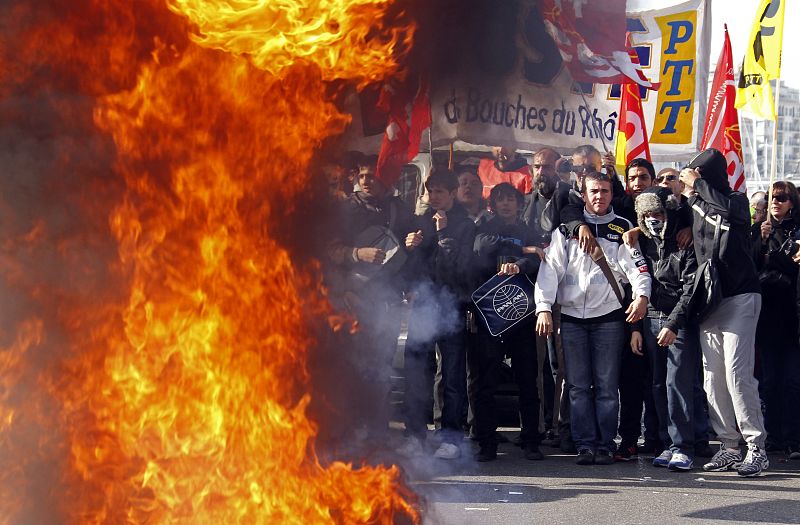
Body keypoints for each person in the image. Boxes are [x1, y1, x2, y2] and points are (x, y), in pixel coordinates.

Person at [534, 171, 651, 465]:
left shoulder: (622, 228)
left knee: (607, 387)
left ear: (612, 195)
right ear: (583, 195)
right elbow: (550, 270)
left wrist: (641, 296)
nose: (599, 196)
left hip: (609, 319)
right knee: (577, 386)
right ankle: (585, 443)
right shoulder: (564, 231)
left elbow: (638, 268)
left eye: (604, 191)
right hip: (572, 319)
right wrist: (544, 307)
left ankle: (605, 443)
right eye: (593, 191)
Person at [671, 148, 768, 476]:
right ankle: (728, 445)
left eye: (695, 173)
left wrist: (699, 187)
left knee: (737, 375)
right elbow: (657, 214)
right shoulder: (694, 203)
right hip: (709, 298)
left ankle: (756, 447)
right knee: (712, 378)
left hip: (740, 295)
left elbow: (737, 216)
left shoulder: (736, 198)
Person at [628, 187, 711, 471]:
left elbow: (691, 290)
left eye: (659, 213)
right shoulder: (642, 244)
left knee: (679, 385)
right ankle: (666, 444)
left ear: (669, 212)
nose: (653, 219)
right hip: (650, 318)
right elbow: (638, 286)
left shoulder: (683, 242)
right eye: (647, 214)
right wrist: (637, 328)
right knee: (658, 384)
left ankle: (682, 446)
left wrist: (674, 324)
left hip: (679, 322)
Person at [402, 169, 476, 460]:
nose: (434, 197)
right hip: (423, 306)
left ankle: (451, 437)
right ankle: (415, 434)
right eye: (430, 191)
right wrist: (411, 249)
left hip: (452, 306)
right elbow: (412, 269)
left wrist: (444, 233)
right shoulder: (420, 222)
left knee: (452, 374)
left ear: (453, 193)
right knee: (416, 370)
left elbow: (462, 268)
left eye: (440, 192)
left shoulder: (465, 225)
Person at [472, 183, 544, 462]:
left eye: (510, 199)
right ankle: (486, 442)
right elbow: (480, 248)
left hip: (522, 315)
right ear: (493, 203)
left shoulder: (529, 228)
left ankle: (531, 440)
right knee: (486, 381)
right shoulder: (484, 225)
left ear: (519, 202)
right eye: (500, 199)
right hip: (490, 317)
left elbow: (539, 260)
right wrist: (520, 248)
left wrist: (522, 262)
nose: (505, 204)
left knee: (527, 378)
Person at [521, 147, 572, 451]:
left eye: (548, 167)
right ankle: (538, 427)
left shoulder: (570, 198)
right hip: (533, 295)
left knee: (562, 365)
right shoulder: (523, 203)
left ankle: (562, 427)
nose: (542, 172)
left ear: (558, 168)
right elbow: (511, 238)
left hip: (565, 294)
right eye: (538, 167)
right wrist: (526, 251)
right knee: (536, 365)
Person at [752, 181, 800, 460]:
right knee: (769, 381)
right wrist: (762, 243)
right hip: (767, 315)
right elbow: (751, 263)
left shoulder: (796, 230)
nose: (776, 202)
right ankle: (774, 436)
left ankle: (794, 437)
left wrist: (775, 257)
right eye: (772, 197)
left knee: (793, 381)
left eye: (782, 198)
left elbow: (790, 266)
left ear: (792, 202)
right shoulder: (760, 230)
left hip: (791, 316)